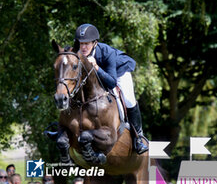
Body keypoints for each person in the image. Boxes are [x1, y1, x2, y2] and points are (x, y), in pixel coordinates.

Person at [54, 23, 148, 162]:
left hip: (118, 72)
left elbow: (111, 82)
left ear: (94, 43)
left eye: (87, 44)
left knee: (128, 99)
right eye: (81, 43)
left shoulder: (106, 52)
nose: (83, 47)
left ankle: (138, 137)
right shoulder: (77, 54)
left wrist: (96, 67)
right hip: (97, 78)